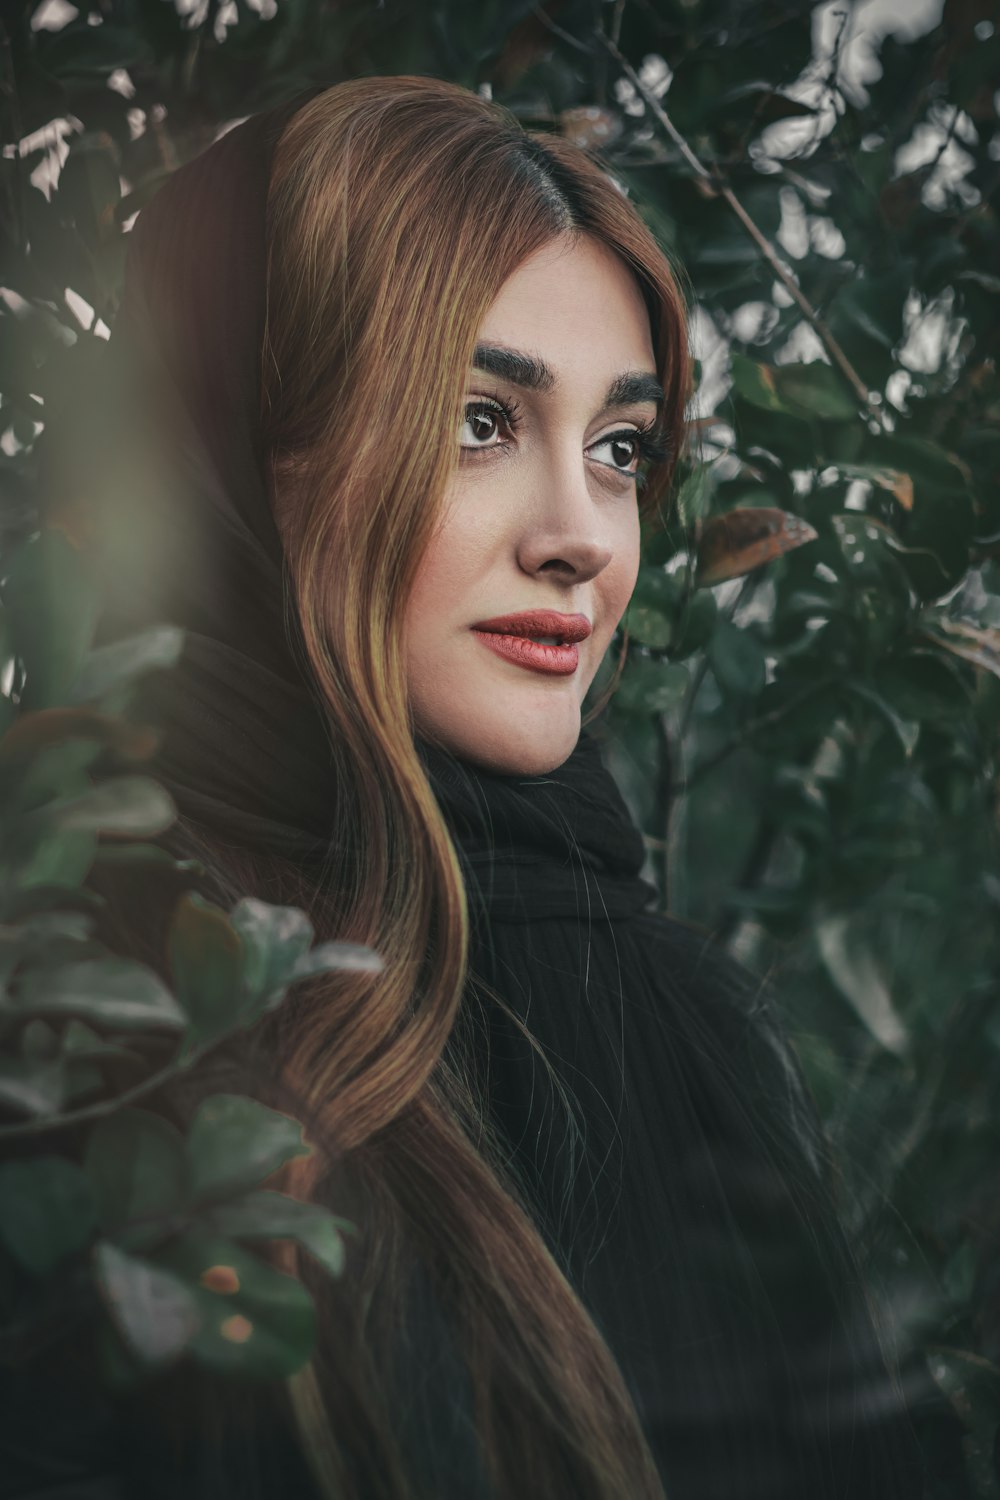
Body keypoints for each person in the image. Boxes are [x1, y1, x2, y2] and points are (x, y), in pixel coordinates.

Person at [1, 76, 935, 1500]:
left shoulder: (684, 1029)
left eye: (621, 451)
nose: (581, 539)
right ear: (247, 451)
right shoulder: (75, 1012)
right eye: (479, 421)